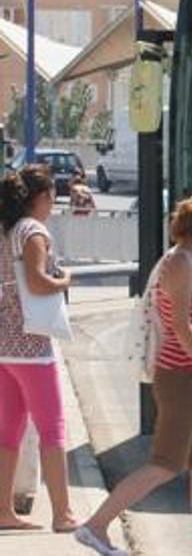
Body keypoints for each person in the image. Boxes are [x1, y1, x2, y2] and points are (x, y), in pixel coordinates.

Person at [76, 193, 192, 556]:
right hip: (180, 376)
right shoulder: (180, 264)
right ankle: (95, 527)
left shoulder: (189, 260)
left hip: (189, 376)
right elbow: (180, 324)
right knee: (165, 464)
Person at [0, 164, 77, 534]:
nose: (54, 204)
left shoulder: (7, 230)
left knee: (8, 431)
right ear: (42, 198)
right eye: (52, 197)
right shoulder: (33, 232)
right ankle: (63, 514)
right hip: (33, 347)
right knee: (53, 429)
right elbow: (38, 281)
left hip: (4, 345)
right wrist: (65, 279)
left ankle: (3, 510)